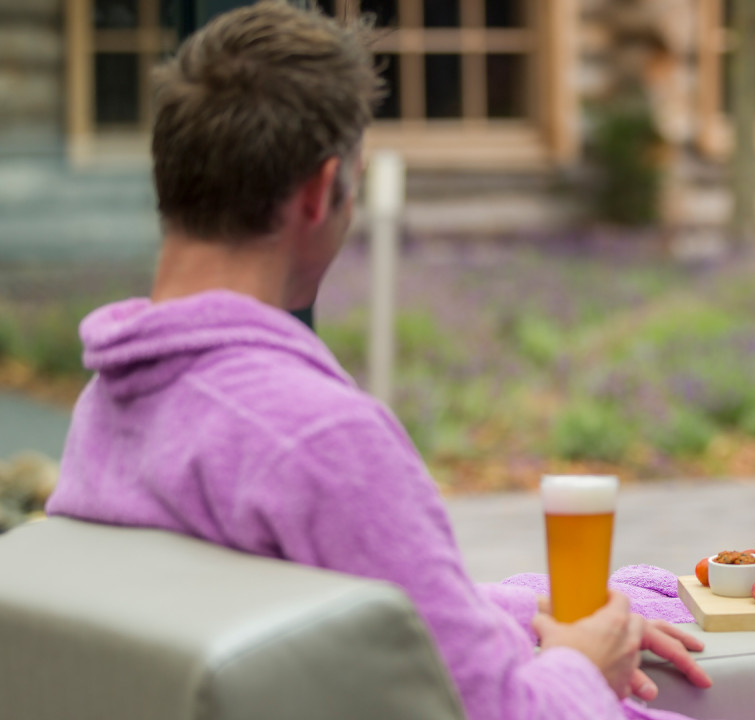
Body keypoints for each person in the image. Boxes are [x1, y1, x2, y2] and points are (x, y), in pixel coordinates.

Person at [43, 3, 711, 719]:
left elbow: (342, 613)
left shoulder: (112, 405)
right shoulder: (317, 438)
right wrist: (582, 664)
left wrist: (528, 616)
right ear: (320, 190)